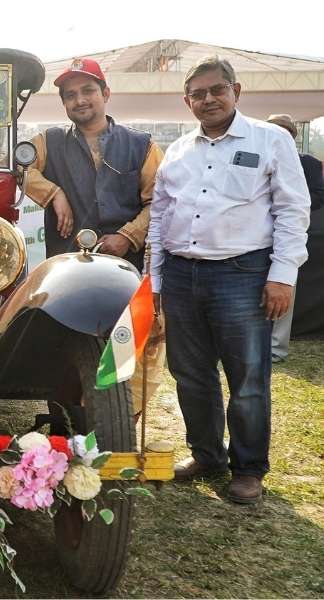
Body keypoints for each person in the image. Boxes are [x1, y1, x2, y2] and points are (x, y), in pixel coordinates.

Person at [149, 57, 310, 504]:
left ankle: (248, 468)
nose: (208, 99)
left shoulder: (271, 139)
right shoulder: (179, 151)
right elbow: (160, 217)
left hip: (242, 274)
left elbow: (293, 211)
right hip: (182, 276)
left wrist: (282, 276)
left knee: (248, 378)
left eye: (216, 90)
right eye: (198, 94)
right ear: (187, 101)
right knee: (190, 374)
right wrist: (156, 280)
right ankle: (207, 455)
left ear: (235, 91)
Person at [25, 57, 166, 416]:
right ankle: (64, 437)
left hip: (124, 269)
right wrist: (53, 192)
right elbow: (17, 167)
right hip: (65, 274)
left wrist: (127, 235)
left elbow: (161, 201)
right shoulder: (48, 141)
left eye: (88, 90)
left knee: (123, 349)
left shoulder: (142, 145)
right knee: (62, 348)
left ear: (105, 92)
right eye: (70, 95)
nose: (79, 100)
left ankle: (117, 431)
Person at [265, 114, 324, 363]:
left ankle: (276, 348)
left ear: (293, 136)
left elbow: (318, 195)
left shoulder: (308, 163)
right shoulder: (256, 159)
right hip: (256, 235)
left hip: (290, 236)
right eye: (275, 131)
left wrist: (294, 210)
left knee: (284, 286)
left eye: (285, 132)